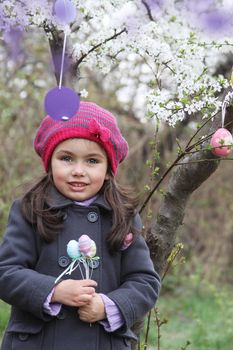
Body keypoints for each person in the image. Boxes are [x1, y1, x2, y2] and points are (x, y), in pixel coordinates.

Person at [0, 101, 161, 350]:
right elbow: (6, 272)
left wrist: (109, 306)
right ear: (49, 162)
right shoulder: (30, 210)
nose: (78, 171)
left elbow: (144, 281)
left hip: (101, 341)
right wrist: (53, 291)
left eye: (92, 161)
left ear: (109, 169)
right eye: (66, 158)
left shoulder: (123, 216)